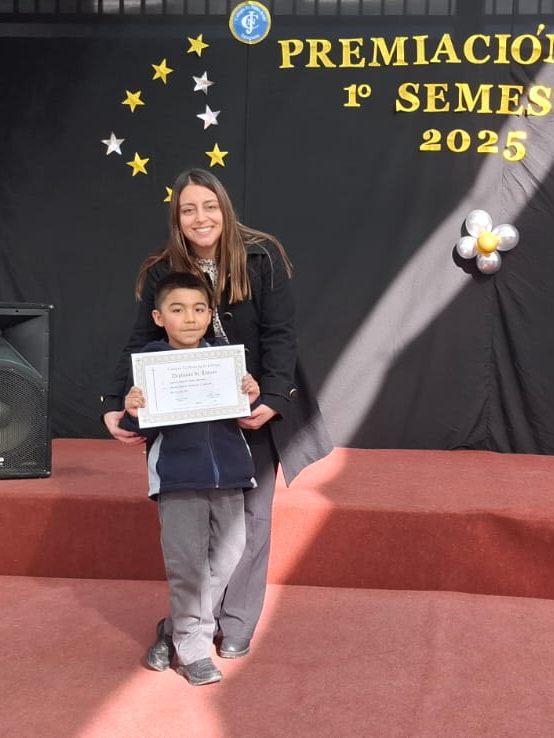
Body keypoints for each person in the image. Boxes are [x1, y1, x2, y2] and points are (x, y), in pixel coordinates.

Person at [104, 168, 333, 661]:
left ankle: (233, 623)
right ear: (177, 217)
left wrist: (273, 397)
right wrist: (114, 402)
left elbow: (280, 334)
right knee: (194, 533)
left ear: (224, 209)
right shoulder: (161, 269)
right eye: (188, 209)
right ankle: (190, 628)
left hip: (254, 406)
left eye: (209, 206)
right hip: (190, 418)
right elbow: (140, 340)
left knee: (251, 520)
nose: (200, 218)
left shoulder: (262, 256)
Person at [124, 271, 260, 686]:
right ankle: (193, 651)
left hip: (230, 476)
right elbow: (138, 428)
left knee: (230, 555)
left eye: (199, 309)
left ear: (210, 314)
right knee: (188, 567)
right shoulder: (150, 363)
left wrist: (249, 392)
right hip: (178, 480)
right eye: (178, 309)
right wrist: (133, 409)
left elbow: (243, 412)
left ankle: (173, 629)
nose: (190, 318)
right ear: (159, 317)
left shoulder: (225, 359)